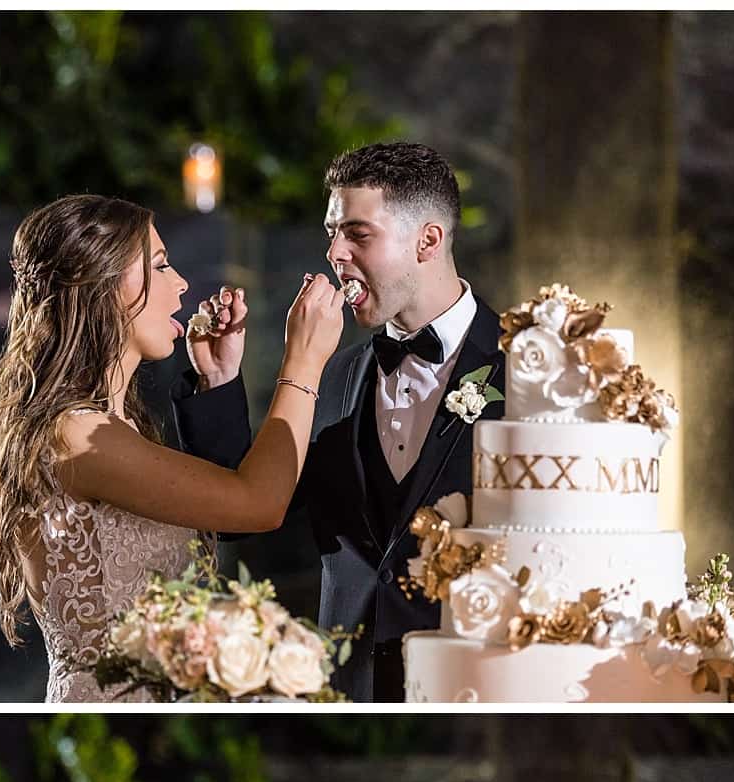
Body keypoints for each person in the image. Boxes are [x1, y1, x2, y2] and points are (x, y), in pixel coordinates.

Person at [0, 192, 345, 702]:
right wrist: (302, 361)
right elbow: (259, 503)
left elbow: (218, 511)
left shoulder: (118, 428)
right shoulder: (76, 435)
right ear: (106, 285)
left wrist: (218, 379)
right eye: (161, 265)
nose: (182, 284)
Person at [170, 142, 505, 700]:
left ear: (428, 240)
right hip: (347, 693)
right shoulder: (334, 373)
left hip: (476, 697)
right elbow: (238, 513)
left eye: (358, 234)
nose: (335, 253)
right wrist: (218, 382)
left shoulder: (526, 369)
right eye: (332, 233)